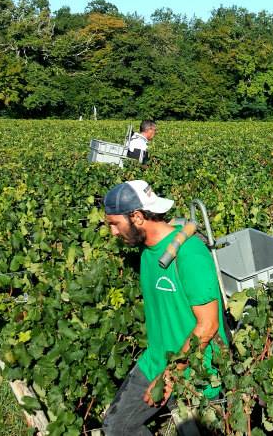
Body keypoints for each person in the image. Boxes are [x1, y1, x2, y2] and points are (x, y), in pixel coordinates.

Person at [101, 180, 227, 435]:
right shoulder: (149, 252)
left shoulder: (189, 253)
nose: (113, 232)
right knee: (116, 427)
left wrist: (170, 376)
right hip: (156, 360)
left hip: (195, 372)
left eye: (115, 223)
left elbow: (209, 325)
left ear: (137, 217)